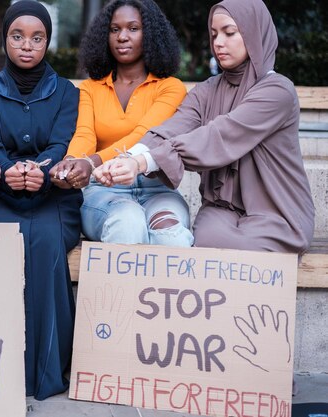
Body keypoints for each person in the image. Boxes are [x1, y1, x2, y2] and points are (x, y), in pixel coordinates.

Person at [97, 0, 315, 253]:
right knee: (205, 242)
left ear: (254, 33)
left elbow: (221, 134)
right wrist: (129, 158)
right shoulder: (208, 90)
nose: (218, 43)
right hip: (223, 209)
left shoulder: (277, 91)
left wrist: (145, 162)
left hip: (277, 212)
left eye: (229, 32)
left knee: (239, 248)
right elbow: (173, 127)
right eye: (214, 34)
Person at [0, 1, 82, 400]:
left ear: (48, 41)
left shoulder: (68, 92)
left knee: (47, 242)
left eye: (37, 38)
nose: (27, 46)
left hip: (52, 194)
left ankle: (48, 371)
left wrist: (43, 171)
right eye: (18, 37)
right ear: (5, 40)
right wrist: (7, 171)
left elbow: (61, 142)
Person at [49, 0, 193, 247]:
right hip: (105, 189)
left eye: (133, 28)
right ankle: (118, 289)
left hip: (156, 189)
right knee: (128, 222)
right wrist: (71, 163)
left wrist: (91, 161)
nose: (122, 37)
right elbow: (85, 134)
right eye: (115, 30)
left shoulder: (170, 88)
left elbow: (145, 136)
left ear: (150, 34)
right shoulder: (91, 88)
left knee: (170, 235)